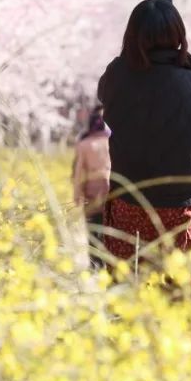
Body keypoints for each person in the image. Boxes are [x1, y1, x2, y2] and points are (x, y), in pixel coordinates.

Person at [98, 0, 191, 293]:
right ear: (178, 35)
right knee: (182, 293)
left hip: (130, 198)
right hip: (182, 204)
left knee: (128, 290)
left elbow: (109, 110)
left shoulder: (117, 75)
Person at [72, 105, 111, 270]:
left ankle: (94, 263)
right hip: (110, 188)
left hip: (91, 191)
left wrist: (77, 193)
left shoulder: (84, 145)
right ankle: (106, 261)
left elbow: (79, 171)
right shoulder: (111, 141)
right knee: (108, 226)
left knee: (92, 227)